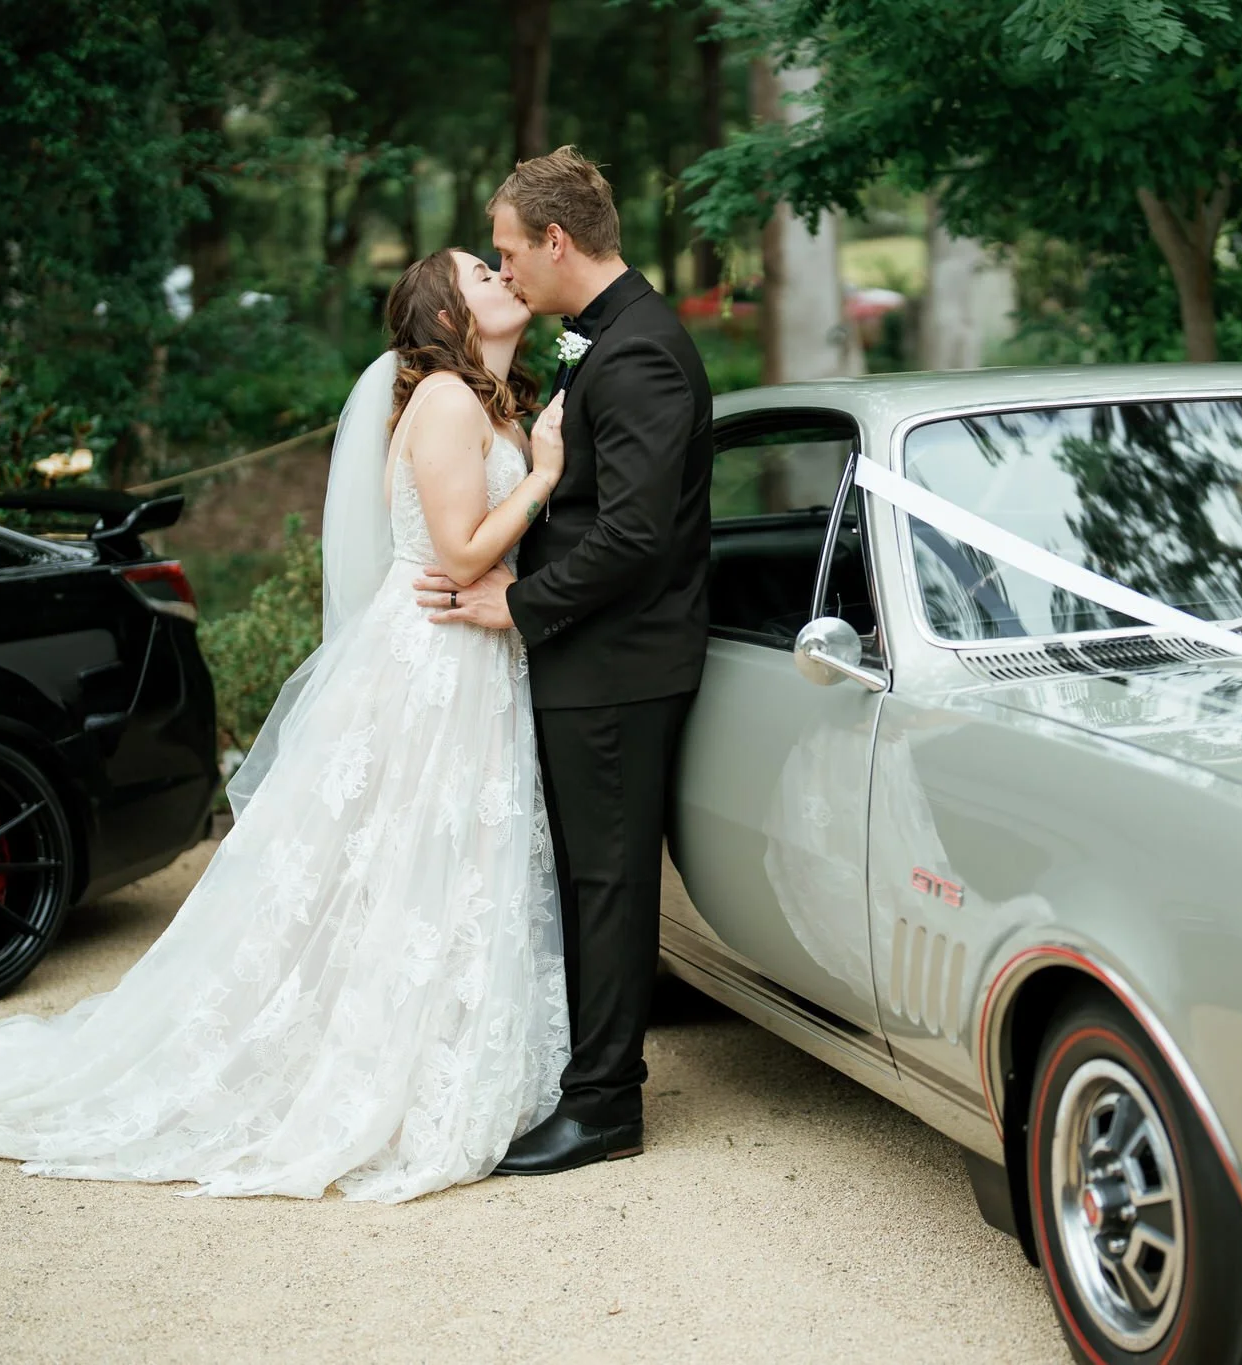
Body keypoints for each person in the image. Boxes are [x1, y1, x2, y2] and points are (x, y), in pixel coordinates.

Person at [0, 249, 574, 1203]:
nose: (502, 276)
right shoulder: (444, 400)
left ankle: (437, 1045)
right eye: (481, 272)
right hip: (430, 657)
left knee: (439, 861)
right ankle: (357, 1063)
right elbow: (463, 546)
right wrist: (546, 472)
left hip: (472, 655)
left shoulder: (494, 402)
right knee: (388, 859)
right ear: (443, 312)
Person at [414, 146, 713, 1175]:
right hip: (590, 655)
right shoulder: (604, 338)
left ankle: (603, 1108)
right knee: (588, 877)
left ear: (554, 238)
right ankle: (584, 1079)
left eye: (508, 251)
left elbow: (635, 537)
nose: (505, 273)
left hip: (620, 663)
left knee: (607, 881)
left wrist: (519, 603)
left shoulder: (637, 354)